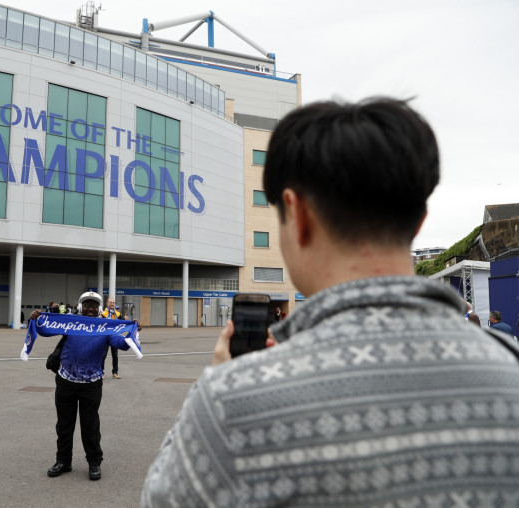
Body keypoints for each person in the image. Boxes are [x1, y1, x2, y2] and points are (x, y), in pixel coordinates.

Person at [142, 98, 519, 506]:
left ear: (297, 214)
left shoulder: (233, 403)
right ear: (419, 220)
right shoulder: (509, 366)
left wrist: (216, 389)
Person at [29, 291, 136, 482]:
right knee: (64, 425)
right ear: (80, 307)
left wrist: (133, 332)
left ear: (100, 309)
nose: (90, 309)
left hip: (91, 384)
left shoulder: (105, 328)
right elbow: (46, 330)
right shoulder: (71, 323)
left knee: (90, 427)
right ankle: (63, 461)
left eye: (94, 306)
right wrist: (38, 319)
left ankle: (94, 463)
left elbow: (123, 344)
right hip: (65, 382)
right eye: (86, 305)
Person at [101, 297, 126, 379]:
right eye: (110, 302)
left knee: (115, 355)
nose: (112, 304)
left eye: (113, 302)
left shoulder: (118, 314)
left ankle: (115, 372)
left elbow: (123, 323)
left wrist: (125, 320)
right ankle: (101, 372)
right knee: (103, 355)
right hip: (105, 337)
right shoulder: (103, 314)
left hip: (115, 337)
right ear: (107, 304)